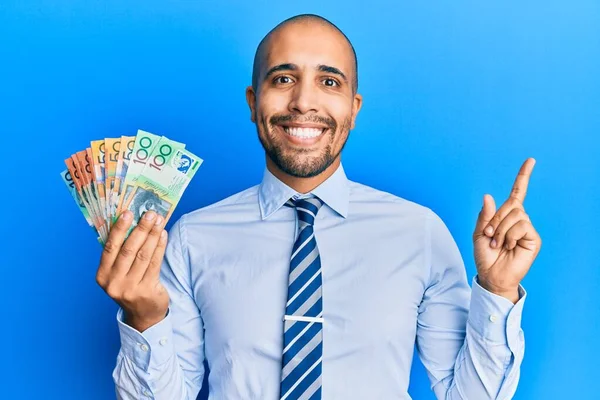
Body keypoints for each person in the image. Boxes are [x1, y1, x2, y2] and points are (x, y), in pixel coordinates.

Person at [96, 13, 542, 400]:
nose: (304, 101)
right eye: (283, 78)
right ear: (254, 102)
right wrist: (144, 317)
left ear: (353, 107)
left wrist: (497, 292)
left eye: (329, 82)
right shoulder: (193, 239)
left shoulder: (420, 233)